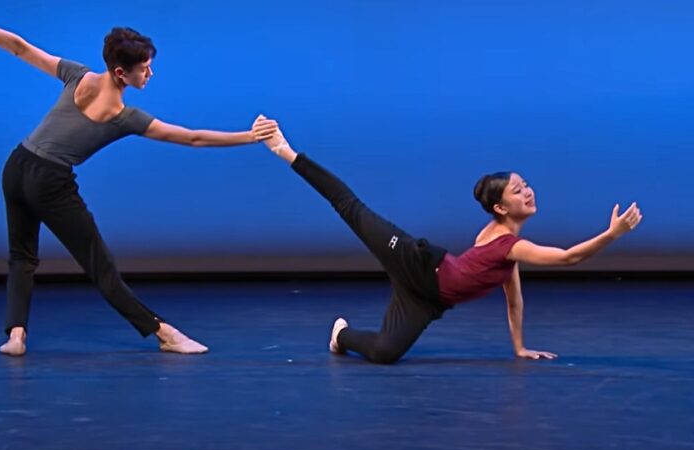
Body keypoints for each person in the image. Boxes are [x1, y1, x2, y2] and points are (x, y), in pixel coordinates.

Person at [0, 1, 278, 356]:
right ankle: (164, 333)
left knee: (22, 256)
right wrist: (250, 137)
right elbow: (192, 138)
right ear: (121, 73)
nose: (150, 75)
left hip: (16, 165)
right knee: (100, 265)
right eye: (145, 69)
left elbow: (19, 47)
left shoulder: (76, 74)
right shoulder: (124, 117)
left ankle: (16, 336)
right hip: (49, 181)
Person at [258, 121, 643, 364]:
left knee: (385, 353)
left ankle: (340, 336)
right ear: (499, 206)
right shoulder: (506, 243)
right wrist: (612, 235)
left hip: (428, 298)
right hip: (417, 262)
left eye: (526, 186)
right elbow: (567, 258)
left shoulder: (506, 248)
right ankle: (287, 152)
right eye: (517, 190)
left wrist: (519, 347)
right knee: (351, 208)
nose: (528, 192)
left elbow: (514, 299)